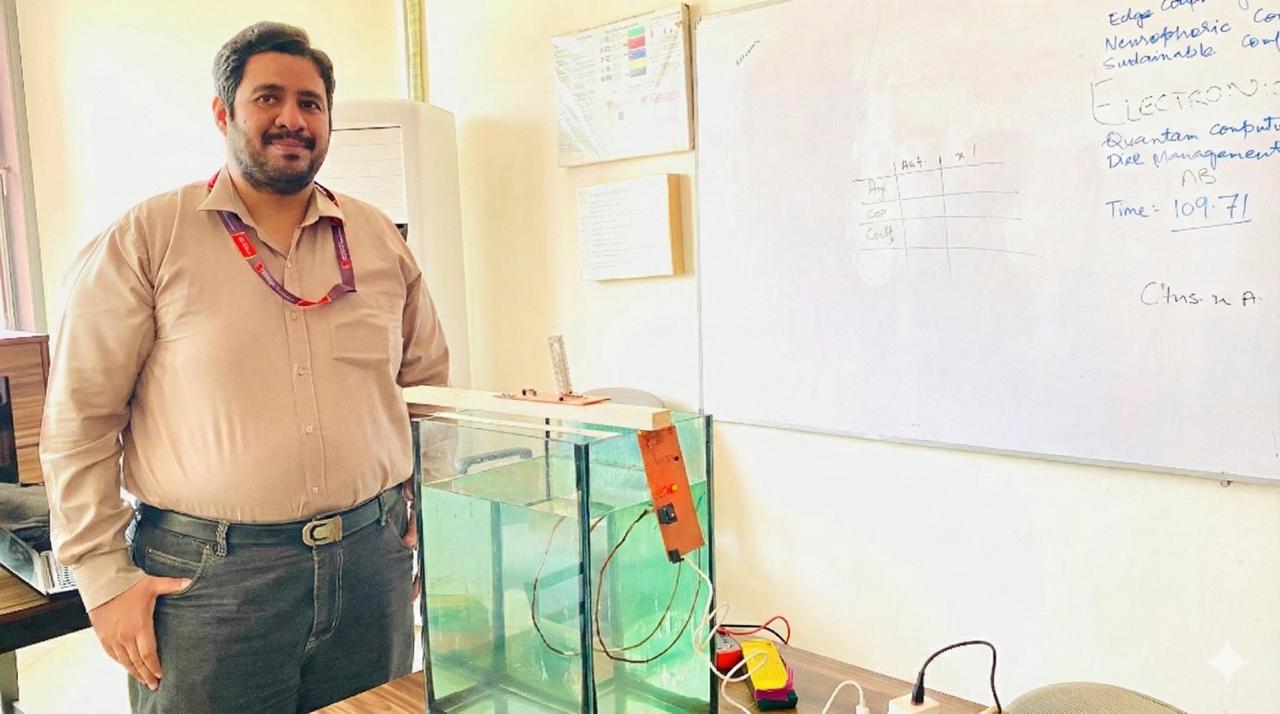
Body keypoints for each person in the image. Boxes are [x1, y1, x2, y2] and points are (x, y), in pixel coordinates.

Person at [40, 21, 448, 713]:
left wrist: (432, 512)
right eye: (268, 98)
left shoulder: (376, 238)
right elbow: (81, 418)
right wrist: (103, 578)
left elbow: (428, 388)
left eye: (311, 103)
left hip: (370, 564)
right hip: (209, 583)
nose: (293, 118)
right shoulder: (148, 238)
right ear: (223, 112)